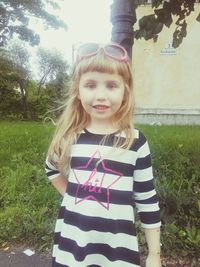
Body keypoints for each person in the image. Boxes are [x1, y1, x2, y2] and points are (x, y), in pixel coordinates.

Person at [45, 43, 161, 267]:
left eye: (111, 85)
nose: (100, 95)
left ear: (125, 90)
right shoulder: (70, 138)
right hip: (72, 247)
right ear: (77, 91)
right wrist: (72, 196)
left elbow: (147, 200)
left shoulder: (135, 142)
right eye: (90, 85)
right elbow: (51, 168)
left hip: (117, 252)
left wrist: (154, 253)